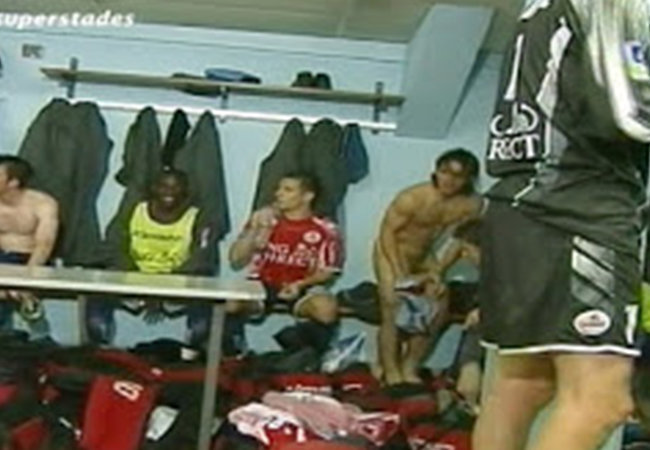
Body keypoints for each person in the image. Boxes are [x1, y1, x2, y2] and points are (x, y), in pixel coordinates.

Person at [473, 1, 650, 449]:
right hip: (579, 205)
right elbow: (632, 113)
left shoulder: (542, 7)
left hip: (524, 201)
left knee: (521, 387)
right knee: (601, 400)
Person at [373, 148, 482, 385]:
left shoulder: (471, 204)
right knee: (393, 304)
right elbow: (387, 233)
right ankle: (391, 372)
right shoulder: (413, 198)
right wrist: (401, 276)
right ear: (436, 171)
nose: (449, 180)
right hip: (393, 252)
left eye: (457, 176)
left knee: (438, 306)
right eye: (444, 172)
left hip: (425, 255)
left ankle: (410, 367)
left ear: (468, 179)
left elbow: (461, 240)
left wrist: (438, 271)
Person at [85, 168, 217, 346]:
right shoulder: (134, 210)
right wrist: (140, 285)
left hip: (179, 285)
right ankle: (101, 349)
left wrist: (164, 289)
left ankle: (193, 353)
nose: (169, 192)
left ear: (185, 191)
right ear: (153, 188)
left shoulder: (199, 217)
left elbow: (201, 258)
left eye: (175, 187)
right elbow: (113, 246)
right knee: (96, 299)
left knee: (203, 313)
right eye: (163, 186)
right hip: (132, 278)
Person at [228, 172, 343, 355]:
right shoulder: (266, 220)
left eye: (288, 190)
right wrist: (254, 231)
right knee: (230, 302)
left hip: (302, 284)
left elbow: (328, 271)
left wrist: (300, 284)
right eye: (278, 189)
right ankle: (233, 351)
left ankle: (306, 353)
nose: (278, 194)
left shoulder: (326, 229)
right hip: (262, 282)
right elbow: (235, 259)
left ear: (307, 196)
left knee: (326, 308)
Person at [0, 155, 58, 335]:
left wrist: (26, 280)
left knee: (22, 296)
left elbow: (44, 245)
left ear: (13, 182)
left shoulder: (43, 203)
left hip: (29, 259)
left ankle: (40, 336)